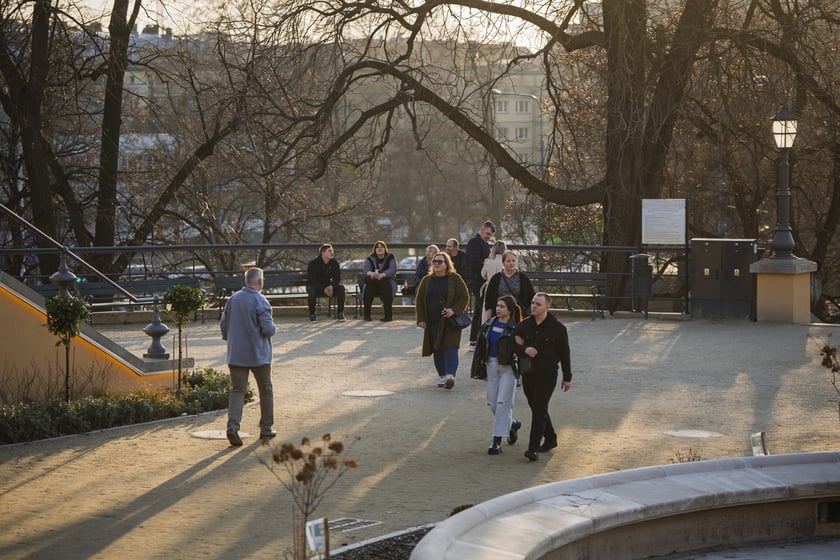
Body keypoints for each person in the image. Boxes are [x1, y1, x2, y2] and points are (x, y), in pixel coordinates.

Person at [219, 267, 277, 447]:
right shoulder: (261, 301)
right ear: (259, 282)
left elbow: (223, 325)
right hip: (258, 354)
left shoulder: (233, 299)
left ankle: (232, 427)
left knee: (238, 391)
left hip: (236, 354)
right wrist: (274, 329)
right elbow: (268, 329)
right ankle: (266, 429)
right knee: (265, 390)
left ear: (246, 281)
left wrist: (233, 339)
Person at [514, 292, 572, 461]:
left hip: (547, 375)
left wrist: (567, 377)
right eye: (532, 303)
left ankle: (533, 448)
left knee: (539, 409)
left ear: (547, 307)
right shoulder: (524, 325)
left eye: (538, 304)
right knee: (537, 407)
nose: (533, 306)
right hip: (528, 373)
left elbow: (564, 354)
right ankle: (551, 438)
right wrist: (524, 349)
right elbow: (512, 342)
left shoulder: (558, 328)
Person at [471, 295, 523, 455]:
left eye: (502, 306)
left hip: (508, 368)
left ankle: (496, 441)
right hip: (491, 366)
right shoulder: (489, 324)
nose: (498, 309)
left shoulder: (516, 328)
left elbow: (521, 350)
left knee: (502, 403)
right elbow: (481, 347)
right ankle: (512, 423)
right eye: (497, 306)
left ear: (510, 310)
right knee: (492, 403)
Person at [415, 251, 470, 389]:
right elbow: (419, 300)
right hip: (432, 321)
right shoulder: (426, 280)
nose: (437, 264)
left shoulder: (455, 278)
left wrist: (454, 310)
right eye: (435, 261)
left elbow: (464, 296)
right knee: (437, 348)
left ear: (447, 264)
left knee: (451, 346)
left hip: (450, 321)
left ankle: (450, 375)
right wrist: (421, 319)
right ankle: (442, 376)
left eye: (440, 261)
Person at [465, 221, 494, 349]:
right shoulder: (474, 243)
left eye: (491, 235)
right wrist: (487, 267)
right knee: (482, 307)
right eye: (487, 233)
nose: (489, 236)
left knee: (478, 310)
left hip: (481, 281)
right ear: (481, 230)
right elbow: (474, 262)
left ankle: (473, 340)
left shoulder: (485, 244)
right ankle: (477, 340)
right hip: (476, 281)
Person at [483, 251, 536, 322]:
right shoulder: (496, 278)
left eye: (513, 261)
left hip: (518, 315)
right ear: (503, 263)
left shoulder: (523, 278)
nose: (511, 263)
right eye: (508, 261)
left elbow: (531, 296)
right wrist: (489, 319)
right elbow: (488, 300)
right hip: (499, 315)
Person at [306, 243, 346, 322]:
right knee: (312, 290)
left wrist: (332, 286)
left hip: (328, 287)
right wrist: (323, 288)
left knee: (341, 288)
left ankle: (340, 313)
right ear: (323, 252)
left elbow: (337, 278)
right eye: (329, 251)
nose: (332, 253)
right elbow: (311, 280)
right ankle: (312, 314)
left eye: (332, 251)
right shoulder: (313, 264)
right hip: (316, 287)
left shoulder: (334, 263)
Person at [362, 240, 398, 321]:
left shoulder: (390, 257)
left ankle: (388, 316)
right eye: (377, 247)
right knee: (368, 288)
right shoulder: (370, 258)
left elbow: (393, 269)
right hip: (373, 281)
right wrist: (372, 274)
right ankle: (367, 315)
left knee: (386, 288)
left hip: (386, 281)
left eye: (382, 247)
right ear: (374, 249)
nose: (379, 249)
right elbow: (366, 270)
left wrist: (382, 275)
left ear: (385, 248)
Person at [480, 240, 507, 316]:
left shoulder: (488, 262)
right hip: (504, 290)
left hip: (489, 289)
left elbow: (483, 275)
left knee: (488, 312)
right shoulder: (506, 262)